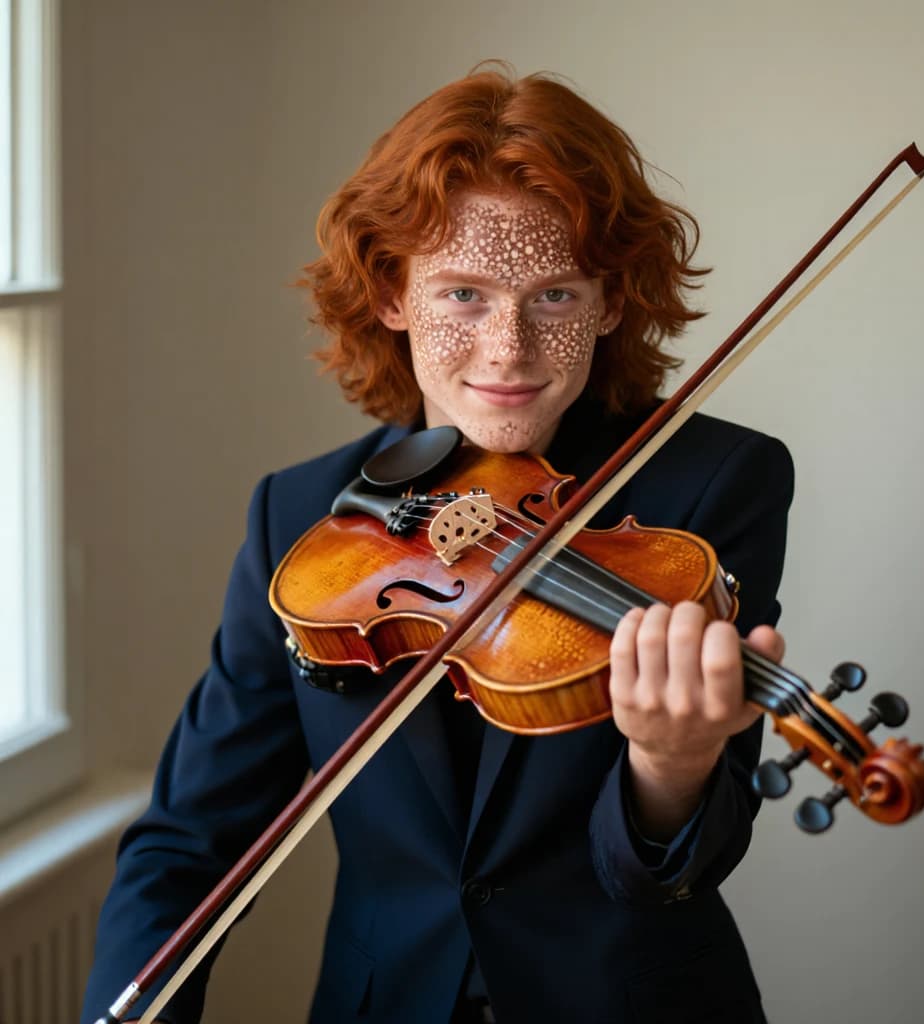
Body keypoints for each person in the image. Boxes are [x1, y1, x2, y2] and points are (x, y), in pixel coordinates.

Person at [81, 66, 793, 1024]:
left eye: (554, 297)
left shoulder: (701, 488)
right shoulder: (302, 522)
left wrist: (671, 766)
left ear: (613, 302)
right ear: (390, 293)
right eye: (462, 293)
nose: (507, 349)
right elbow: (188, 841)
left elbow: (681, 868)